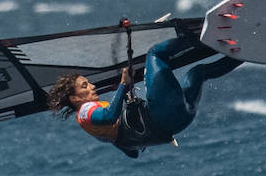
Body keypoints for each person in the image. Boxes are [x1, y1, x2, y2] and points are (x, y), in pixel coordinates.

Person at [46, 36, 242, 158]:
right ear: (75, 99)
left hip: (180, 121)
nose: (93, 86)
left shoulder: (100, 135)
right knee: (155, 54)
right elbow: (108, 116)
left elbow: (132, 154)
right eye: (84, 86)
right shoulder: (86, 112)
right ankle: (200, 37)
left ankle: (243, 53)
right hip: (163, 114)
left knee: (197, 73)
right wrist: (123, 84)